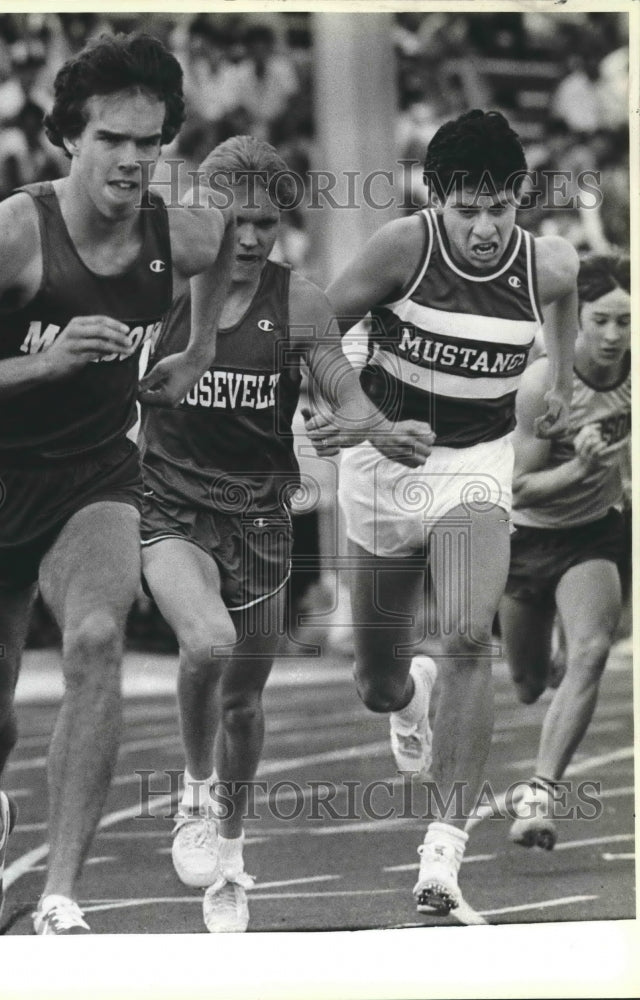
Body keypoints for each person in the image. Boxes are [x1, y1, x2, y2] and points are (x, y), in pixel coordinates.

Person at [0, 32, 234, 936]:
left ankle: (62, 897)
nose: (132, 159)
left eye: (150, 140)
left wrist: (196, 348)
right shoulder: (15, 232)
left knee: (97, 639)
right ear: (68, 139)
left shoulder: (181, 229)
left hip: (98, 475)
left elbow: (229, 245)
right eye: (112, 140)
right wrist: (41, 370)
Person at [305, 109, 579, 915]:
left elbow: (563, 298)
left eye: (501, 208)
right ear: (438, 201)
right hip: (382, 466)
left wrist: (557, 374)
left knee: (466, 634)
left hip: (475, 467)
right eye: (468, 210)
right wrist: (365, 423)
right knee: (377, 682)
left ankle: (443, 852)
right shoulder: (405, 249)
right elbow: (312, 328)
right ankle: (409, 698)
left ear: (519, 199)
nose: (487, 228)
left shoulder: (545, 264)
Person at [140, 135, 388, 933]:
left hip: (258, 519)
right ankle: (191, 794)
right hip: (169, 503)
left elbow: (345, 394)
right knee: (205, 642)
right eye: (236, 221)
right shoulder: (161, 288)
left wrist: (348, 422)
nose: (249, 240)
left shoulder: (302, 303)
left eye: (267, 224)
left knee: (243, 703)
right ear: (206, 215)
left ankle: (233, 850)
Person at [499, 253, 630, 849]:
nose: (613, 335)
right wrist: (580, 465)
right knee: (528, 684)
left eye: (625, 322)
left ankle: (540, 793)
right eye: (601, 320)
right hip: (527, 534)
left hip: (594, 533)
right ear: (575, 320)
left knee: (594, 650)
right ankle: (551, 651)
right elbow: (520, 486)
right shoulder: (542, 385)